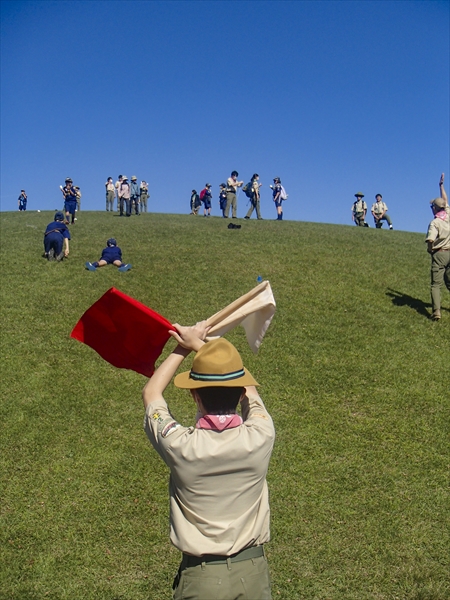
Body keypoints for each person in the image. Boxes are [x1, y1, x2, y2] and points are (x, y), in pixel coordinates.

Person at [142, 323, 275, 600]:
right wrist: (207, 349)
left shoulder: (180, 445)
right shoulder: (262, 434)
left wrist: (185, 345)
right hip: (252, 574)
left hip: (201, 579)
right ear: (238, 393)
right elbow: (250, 391)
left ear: (195, 395)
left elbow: (151, 394)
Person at [425, 173, 450, 321]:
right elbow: (445, 200)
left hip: (439, 254)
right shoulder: (448, 214)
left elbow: (430, 239)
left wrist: (430, 250)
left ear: (434, 208)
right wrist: (441, 185)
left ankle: (436, 312)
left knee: (436, 285)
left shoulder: (435, 223)